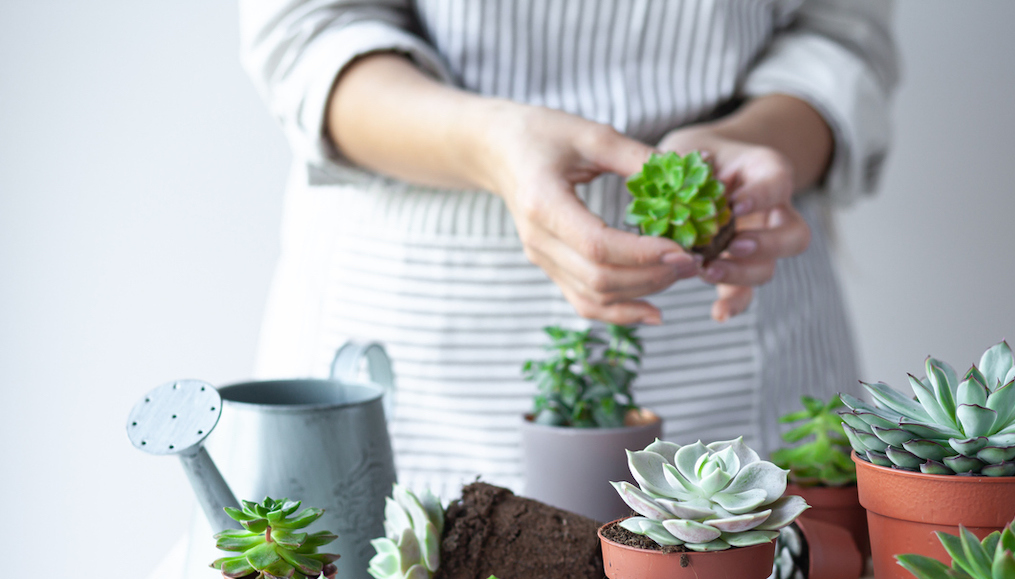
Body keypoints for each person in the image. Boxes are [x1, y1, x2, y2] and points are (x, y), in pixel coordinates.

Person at [240, 0, 898, 498]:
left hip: (741, 340)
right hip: (416, 348)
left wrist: (760, 144)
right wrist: (491, 142)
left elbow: (840, 34)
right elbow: (309, 35)